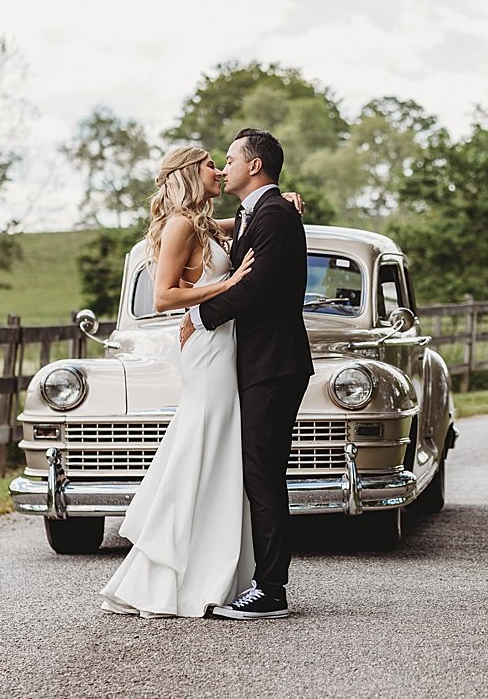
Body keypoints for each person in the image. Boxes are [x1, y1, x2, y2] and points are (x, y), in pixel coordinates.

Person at [99, 145, 301, 619]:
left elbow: (253, 223)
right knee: (201, 451)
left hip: (226, 350)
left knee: (221, 459)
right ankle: (175, 571)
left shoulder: (208, 223)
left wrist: (283, 199)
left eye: (225, 161)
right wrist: (222, 291)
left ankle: (217, 569)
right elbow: (165, 295)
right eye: (211, 164)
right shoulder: (182, 225)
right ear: (191, 173)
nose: (219, 169)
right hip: (209, 351)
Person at [182, 128, 313, 621]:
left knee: (263, 472)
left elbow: (257, 289)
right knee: (256, 471)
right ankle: (258, 578)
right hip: (257, 361)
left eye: (232, 159)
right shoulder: (257, 212)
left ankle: (272, 590)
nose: (224, 167)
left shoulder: (275, 215)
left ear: (255, 166)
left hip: (274, 363)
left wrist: (197, 317)